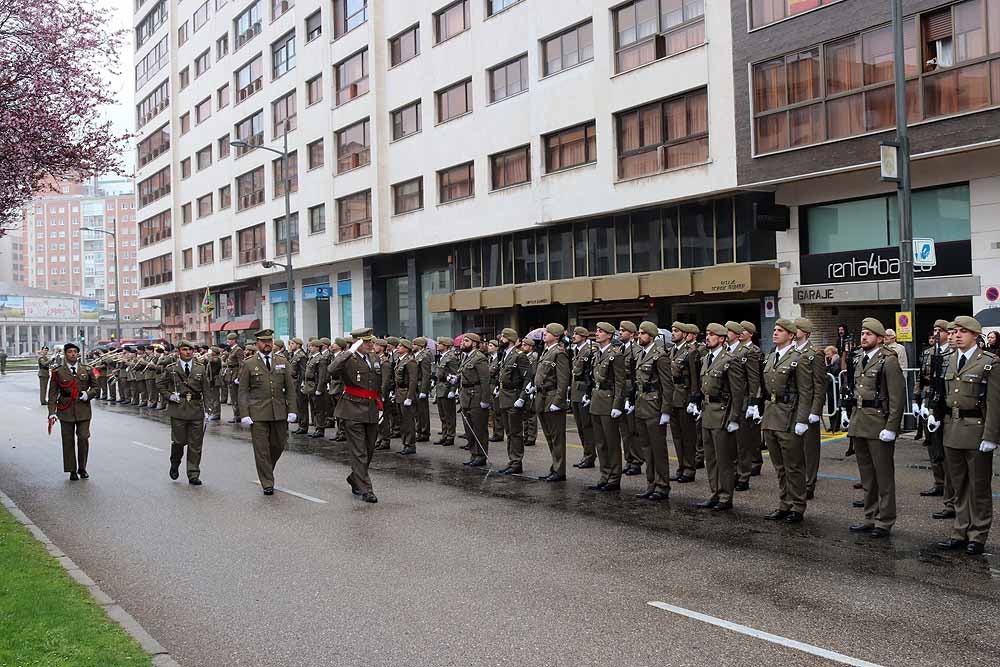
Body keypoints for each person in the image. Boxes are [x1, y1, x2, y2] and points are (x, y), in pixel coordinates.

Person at [932, 316, 998, 556]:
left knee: (979, 486)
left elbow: (994, 403)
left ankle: (978, 534)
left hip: (977, 430)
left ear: (975, 335)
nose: (956, 335)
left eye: (962, 331)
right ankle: (960, 530)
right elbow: (944, 395)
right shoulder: (949, 360)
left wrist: (991, 435)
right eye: (955, 331)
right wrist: (934, 414)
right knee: (958, 485)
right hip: (952, 429)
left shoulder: (989, 363)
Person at [844, 318, 904, 538]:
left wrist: (892, 427)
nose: (864, 337)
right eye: (862, 333)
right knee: (867, 476)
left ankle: (885, 520)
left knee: (884, 476)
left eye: (869, 334)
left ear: (880, 338)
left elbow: (897, 398)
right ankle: (870, 517)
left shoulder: (888, 360)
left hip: (879, 423)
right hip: (860, 422)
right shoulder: (859, 358)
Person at [761, 319, 813, 523]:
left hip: (789, 417)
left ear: (791, 335)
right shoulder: (771, 356)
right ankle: (784, 503)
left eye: (780, 331)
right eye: (774, 330)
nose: (775, 333)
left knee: (793, 466)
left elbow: (805, 392)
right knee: (779, 467)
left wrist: (802, 419)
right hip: (772, 415)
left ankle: (798, 506)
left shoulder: (798, 359)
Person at [238, 329, 298, 495]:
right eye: (264, 342)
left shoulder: (282, 361)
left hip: (279, 411)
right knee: (262, 449)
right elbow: (243, 391)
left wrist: (292, 410)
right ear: (257, 344)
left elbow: (291, 389)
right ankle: (267, 482)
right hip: (257, 413)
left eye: (270, 341)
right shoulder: (249, 363)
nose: (267, 344)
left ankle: (266, 469)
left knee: (278, 444)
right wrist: (244, 413)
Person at [693, 323, 746, 510]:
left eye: (712, 335)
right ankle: (714, 492)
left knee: (724, 459)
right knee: (711, 457)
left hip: (722, 413)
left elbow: (738, 393)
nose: (708, 337)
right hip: (708, 411)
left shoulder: (730, 360)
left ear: (722, 339)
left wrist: (734, 418)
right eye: (707, 334)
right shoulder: (707, 358)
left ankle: (725, 497)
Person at [329, 328, 382, 503]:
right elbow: (332, 369)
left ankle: (355, 477)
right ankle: (366, 489)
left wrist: (380, 406)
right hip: (352, 409)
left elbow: (376, 384)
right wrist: (348, 351)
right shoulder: (348, 359)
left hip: (371, 409)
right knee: (359, 452)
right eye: (366, 342)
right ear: (357, 342)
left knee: (369, 450)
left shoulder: (374, 358)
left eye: (371, 342)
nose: (370, 345)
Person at [914, 320, 957, 518]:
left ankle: (952, 494)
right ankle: (939, 483)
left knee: (948, 452)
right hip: (929, 401)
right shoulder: (928, 353)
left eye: (941, 330)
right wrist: (918, 400)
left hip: (944, 407)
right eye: (935, 330)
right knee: (933, 447)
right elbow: (922, 378)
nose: (937, 333)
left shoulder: (953, 354)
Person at [157, 340, 212, 485]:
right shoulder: (171, 369)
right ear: (179, 352)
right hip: (178, 409)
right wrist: (169, 396)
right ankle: (175, 463)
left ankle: (193, 473)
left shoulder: (200, 368)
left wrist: (208, 409)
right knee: (179, 442)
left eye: (190, 350)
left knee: (195, 444)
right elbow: (160, 384)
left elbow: (206, 389)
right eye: (185, 349)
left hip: (196, 409)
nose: (188, 352)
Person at [635, 321, 673, 500]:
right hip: (642, 405)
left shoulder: (660, 356)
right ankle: (651, 483)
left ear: (651, 336)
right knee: (646, 448)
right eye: (639, 333)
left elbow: (667, 385)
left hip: (654, 406)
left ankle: (662, 485)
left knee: (658, 449)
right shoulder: (641, 354)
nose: (639, 336)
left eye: (643, 333)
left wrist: (666, 410)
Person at [47, 342, 97, 480]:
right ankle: (72, 470)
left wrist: (88, 394)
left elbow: (96, 388)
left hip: (83, 409)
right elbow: (52, 394)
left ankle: (82, 467)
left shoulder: (87, 369)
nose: (73, 354)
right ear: (65, 354)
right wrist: (52, 412)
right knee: (68, 440)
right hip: (65, 409)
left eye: (75, 351)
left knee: (83, 438)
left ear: (78, 354)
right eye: (70, 351)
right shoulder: (58, 372)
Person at [587, 322, 625, 491]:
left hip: (609, 401)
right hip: (596, 400)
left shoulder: (615, 355)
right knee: (600, 442)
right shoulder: (597, 354)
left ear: (609, 335)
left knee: (611, 442)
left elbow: (620, 382)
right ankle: (604, 474)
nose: (597, 333)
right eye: (597, 331)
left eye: (601, 332)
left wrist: (618, 404)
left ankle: (614, 477)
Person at [794, 318, 828, 500]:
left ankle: (809, 483)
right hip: (792, 407)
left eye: (797, 328)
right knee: (795, 448)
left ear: (805, 332)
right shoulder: (789, 351)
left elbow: (820, 385)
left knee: (810, 448)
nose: (794, 330)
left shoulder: (815, 354)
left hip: (808, 408)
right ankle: (798, 482)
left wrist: (816, 411)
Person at [534, 323, 571, 481]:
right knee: (549, 436)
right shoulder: (546, 351)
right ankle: (555, 466)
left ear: (556, 336)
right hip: (542, 397)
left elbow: (563, 380)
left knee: (557, 437)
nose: (544, 334)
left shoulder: (559, 353)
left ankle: (559, 470)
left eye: (548, 332)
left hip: (552, 396)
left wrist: (559, 400)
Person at [668, 322, 700, 482]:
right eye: (672, 331)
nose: (673, 333)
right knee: (677, 436)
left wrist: (694, 399)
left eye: (676, 331)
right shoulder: (671, 351)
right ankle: (681, 466)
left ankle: (689, 468)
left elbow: (694, 378)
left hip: (685, 397)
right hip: (673, 398)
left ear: (685, 333)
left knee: (688, 437)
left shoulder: (691, 352)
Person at [496, 329, 530, 475]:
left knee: (515, 432)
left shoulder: (519, 356)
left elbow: (528, 378)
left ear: (509, 339)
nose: (500, 339)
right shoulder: (505, 355)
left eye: (503, 337)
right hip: (504, 396)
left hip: (514, 396)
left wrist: (522, 397)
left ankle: (516, 462)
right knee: (509, 431)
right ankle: (512, 460)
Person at [456, 332, 491, 467]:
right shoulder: (466, 357)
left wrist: (485, 399)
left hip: (476, 396)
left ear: (474, 343)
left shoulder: (479, 358)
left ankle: (481, 455)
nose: (463, 343)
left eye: (466, 341)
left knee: (479, 428)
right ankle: (473, 453)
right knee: (469, 428)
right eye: (463, 341)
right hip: (465, 396)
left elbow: (484, 380)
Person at [569, 326, 597, 469]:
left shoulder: (590, 351)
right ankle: (586, 453)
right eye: (573, 334)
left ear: (584, 336)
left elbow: (590, 374)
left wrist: (589, 392)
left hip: (583, 391)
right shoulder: (576, 350)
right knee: (580, 426)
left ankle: (590, 455)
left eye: (577, 334)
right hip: (575, 391)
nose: (573, 336)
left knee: (587, 426)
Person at [394, 338, 419, 455]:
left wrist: (410, 397)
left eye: (400, 346)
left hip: (406, 393)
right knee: (402, 420)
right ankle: (405, 443)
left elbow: (413, 381)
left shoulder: (410, 361)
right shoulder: (401, 360)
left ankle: (410, 444)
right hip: (399, 393)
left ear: (406, 349)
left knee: (408, 421)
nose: (398, 347)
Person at [434, 336, 460, 446]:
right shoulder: (442, 357)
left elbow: (455, 374)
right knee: (442, 415)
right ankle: (444, 435)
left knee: (449, 415)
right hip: (440, 387)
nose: (437, 345)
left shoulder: (451, 357)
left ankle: (450, 436)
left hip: (447, 388)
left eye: (440, 344)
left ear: (446, 346)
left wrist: (453, 390)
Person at [412, 337, 433, 443]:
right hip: (415, 385)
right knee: (417, 411)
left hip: (421, 385)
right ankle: (418, 431)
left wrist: (424, 390)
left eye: (414, 344)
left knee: (423, 411)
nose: (413, 346)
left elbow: (426, 374)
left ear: (420, 346)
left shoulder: (424, 356)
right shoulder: (415, 356)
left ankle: (424, 432)